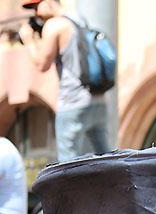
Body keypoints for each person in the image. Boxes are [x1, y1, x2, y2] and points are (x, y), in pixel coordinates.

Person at [19, 0, 109, 163]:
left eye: (36, 7)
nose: (35, 13)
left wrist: (29, 41)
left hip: (73, 102)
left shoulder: (54, 25)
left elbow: (41, 63)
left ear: (48, 2)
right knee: (107, 159)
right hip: (97, 99)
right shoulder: (78, 19)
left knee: (68, 166)